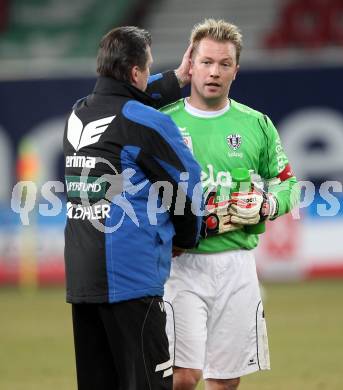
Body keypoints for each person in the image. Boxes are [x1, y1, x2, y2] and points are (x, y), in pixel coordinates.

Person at [161, 19, 300, 390]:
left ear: (235, 71)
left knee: (225, 381)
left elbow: (290, 186)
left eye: (224, 64)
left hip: (236, 266)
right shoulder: (163, 122)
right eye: (206, 62)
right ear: (190, 64)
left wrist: (267, 204)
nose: (214, 72)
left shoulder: (256, 124)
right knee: (182, 377)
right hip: (179, 266)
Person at [63, 26, 203, 390]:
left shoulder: (78, 115)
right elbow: (186, 181)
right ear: (136, 73)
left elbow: (124, 102)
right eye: (148, 67)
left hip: (83, 279)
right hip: (131, 280)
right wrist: (188, 236)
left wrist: (177, 79)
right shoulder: (146, 122)